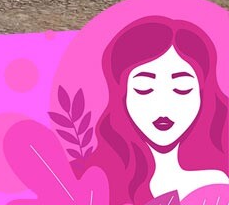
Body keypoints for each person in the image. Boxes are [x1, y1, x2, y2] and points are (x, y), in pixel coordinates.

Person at [85, 17, 229, 203]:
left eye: (182, 88)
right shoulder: (90, 177)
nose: (163, 104)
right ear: (120, 94)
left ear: (204, 95)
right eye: (144, 88)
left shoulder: (214, 184)